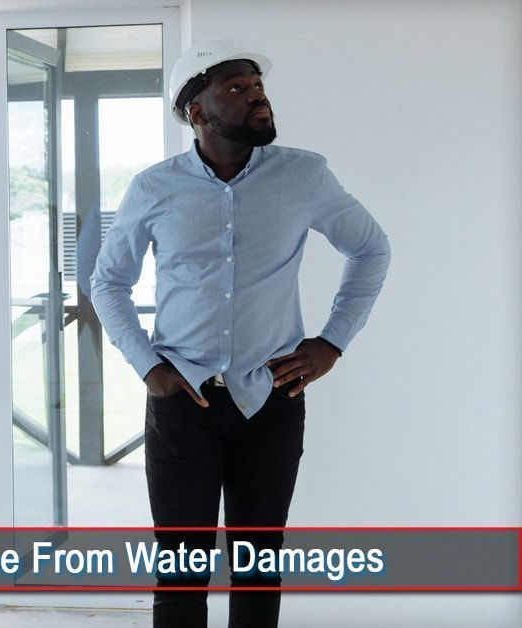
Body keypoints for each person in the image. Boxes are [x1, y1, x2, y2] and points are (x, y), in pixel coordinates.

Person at [90, 39, 390, 628]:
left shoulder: (305, 175)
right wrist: (150, 369)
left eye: (258, 86)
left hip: (272, 400)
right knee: (180, 569)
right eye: (237, 88)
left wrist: (332, 342)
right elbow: (108, 282)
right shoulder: (154, 187)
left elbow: (371, 248)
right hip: (183, 404)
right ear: (196, 112)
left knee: (257, 568)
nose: (258, 97)